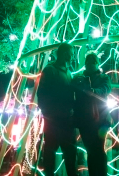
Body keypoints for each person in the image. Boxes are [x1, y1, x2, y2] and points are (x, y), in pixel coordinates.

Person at [38, 43, 77, 176]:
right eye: (71, 54)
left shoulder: (68, 72)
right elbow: (41, 94)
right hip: (54, 120)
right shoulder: (50, 70)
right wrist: (48, 114)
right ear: (65, 54)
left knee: (70, 153)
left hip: (66, 119)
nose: (72, 57)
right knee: (50, 152)